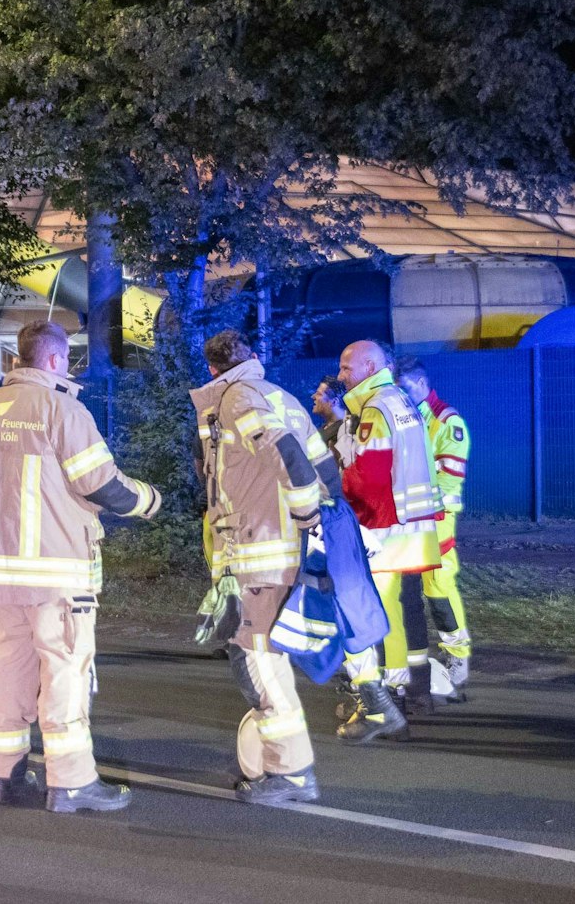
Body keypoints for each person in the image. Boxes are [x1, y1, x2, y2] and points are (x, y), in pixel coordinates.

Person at [0, 320, 160, 812]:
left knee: (9, 668)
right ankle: (71, 782)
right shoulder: (62, 409)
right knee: (65, 670)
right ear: (53, 360)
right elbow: (101, 485)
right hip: (56, 572)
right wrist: (149, 501)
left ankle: (2, 776)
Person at [192, 330, 341, 805]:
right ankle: (286, 766)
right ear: (254, 358)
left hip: (263, 553)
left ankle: (291, 772)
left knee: (257, 662)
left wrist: (304, 512)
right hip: (279, 550)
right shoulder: (282, 396)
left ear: (213, 369)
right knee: (262, 658)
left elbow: (287, 457)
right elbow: (324, 464)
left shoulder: (236, 401)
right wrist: (324, 516)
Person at [332, 339, 443, 743]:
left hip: (383, 526)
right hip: (408, 525)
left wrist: (335, 485)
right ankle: (395, 692)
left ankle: (376, 704)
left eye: (347, 367)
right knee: (391, 612)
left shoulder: (376, 408)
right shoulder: (396, 400)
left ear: (368, 366)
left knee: (363, 615)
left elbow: (370, 476)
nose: (341, 375)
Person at [397, 359, 472, 700]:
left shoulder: (447, 423)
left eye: (407, 389)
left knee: (438, 585)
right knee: (406, 589)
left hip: (438, 516)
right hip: (412, 517)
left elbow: (446, 479)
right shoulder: (411, 419)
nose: (403, 395)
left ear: (423, 383)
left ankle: (457, 656)